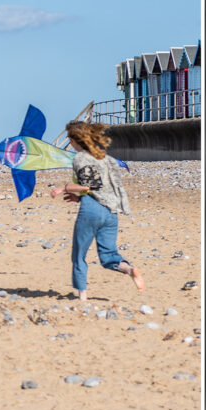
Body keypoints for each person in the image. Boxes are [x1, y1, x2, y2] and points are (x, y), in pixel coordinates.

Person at [50, 120, 145, 301]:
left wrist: (64, 188)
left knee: (79, 255)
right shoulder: (104, 158)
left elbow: (88, 184)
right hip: (111, 212)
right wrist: (78, 197)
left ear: (72, 140)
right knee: (108, 255)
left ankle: (82, 297)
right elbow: (102, 187)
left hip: (91, 211)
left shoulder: (80, 158)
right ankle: (130, 270)